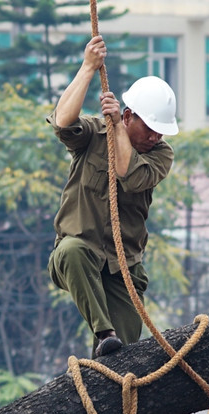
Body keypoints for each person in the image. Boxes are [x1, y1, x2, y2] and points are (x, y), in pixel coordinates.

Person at [47, 35, 178, 358]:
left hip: (124, 270)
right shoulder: (94, 134)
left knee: (125, 359)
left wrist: (120, 127)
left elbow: (129, 175)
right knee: (71, 250)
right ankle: (103, 332)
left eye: (160, 130)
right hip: (80, 257)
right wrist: (88, 67)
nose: (155, 136)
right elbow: (62, 122)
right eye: (149, 127)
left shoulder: (161, 155)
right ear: (131, 114)